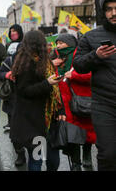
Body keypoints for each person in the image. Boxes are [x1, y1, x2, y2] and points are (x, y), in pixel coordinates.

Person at [73, 0, 116, 171]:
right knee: (108, 154)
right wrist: (95, 56)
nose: (113, 13)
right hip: (104, 105)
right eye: (109, 9)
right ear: (103, 12)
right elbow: (78, 65)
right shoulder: (90, 37)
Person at [10, 30, 65, 171]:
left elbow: (56, 91)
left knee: (53, 160)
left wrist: (60, 109)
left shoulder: (47, 62)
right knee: (36, 159)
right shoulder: (25, 63)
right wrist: (47, 83)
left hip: (50, 119)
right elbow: (24, 90)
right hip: (33, 121)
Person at [52, 33, 95, 171]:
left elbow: (92, 75)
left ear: (70, 43)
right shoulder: (56, 58)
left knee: (87, 131)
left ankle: (87, 154)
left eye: (61, 43)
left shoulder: (81, 56)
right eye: (57, 43)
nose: (58, 46)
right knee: (72, 133)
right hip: (64, 102)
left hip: (81, 100)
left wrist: (74, 75)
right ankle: (76, 164)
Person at [0, 24, 25, 166]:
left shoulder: (32, 61)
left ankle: (32, 151)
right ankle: (20, 153)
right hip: (11, 99)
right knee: (14, 131)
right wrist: (7, 74)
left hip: (27, 100)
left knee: (28, 128)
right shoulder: (9, 61)